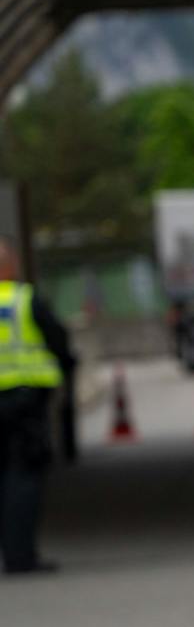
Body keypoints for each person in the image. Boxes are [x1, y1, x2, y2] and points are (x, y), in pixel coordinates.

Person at [0, 235, 74, 576]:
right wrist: (64, 372)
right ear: (9, 265)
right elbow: (58, 341)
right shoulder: (23, 299)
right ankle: (20, 555)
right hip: (24, 402)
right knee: (23, 479)